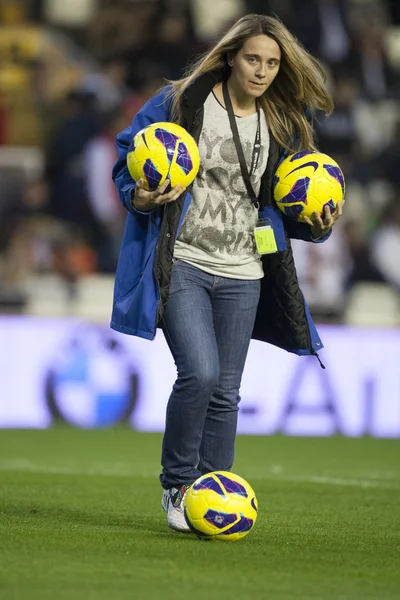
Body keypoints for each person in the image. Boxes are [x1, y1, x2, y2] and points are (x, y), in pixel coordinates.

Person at [111, 14, 344, 533]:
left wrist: (321, 225)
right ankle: (177, 486)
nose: (261, 71)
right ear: (231, 57)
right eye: (253, 59)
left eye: (272, 62)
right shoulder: (182, 101)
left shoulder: (283, 120)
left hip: (245, 271)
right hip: (186, 261)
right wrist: (139, 194)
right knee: (201, 374)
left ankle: (214, 494)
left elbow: (294, 202)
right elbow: (128, 156)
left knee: (227, 392)